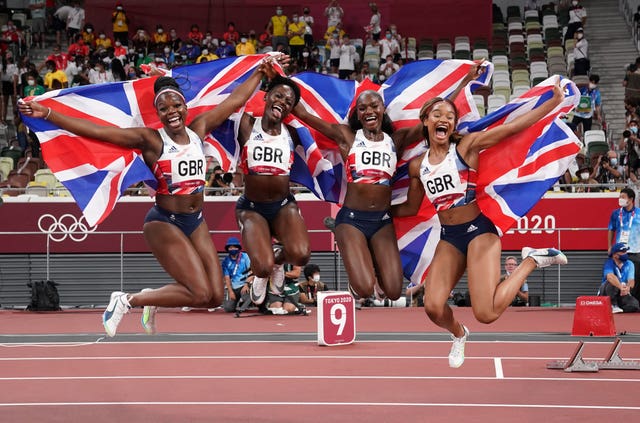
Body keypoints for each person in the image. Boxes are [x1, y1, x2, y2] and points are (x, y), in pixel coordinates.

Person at [19, 58, 279, 337]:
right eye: (164, 108)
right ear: (157, 113)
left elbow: (235, 101)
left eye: (176, 106)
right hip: (165, 222)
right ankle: (127, 300)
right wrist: (47, 114)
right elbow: (97, 131)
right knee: (200, 291)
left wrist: (260, 74)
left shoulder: (199, 130)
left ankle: (150, 299)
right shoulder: (151, 140)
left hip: (196, 221)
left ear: (185, 106)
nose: (172, 112)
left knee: (214, 297)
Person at [391, 78, 569, 368]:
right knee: (433, 307)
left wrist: (553, 103)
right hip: (449, 237)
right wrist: (383, 211)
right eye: (437, 114)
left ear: (453, 125)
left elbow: (512, 129)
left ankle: (531, 261)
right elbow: (411, 206)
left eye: (450, 116)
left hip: (478, 233)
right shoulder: (417, 166)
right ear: (425, 121)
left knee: (486, 313)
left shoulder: (466, 148)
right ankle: (459, 334)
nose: (444, 119)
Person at [292, 64, 484, 305]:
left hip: (382, 221)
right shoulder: (348, 136)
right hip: (352, 218)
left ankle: (368, 254)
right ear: (357, 114)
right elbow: (304, 114)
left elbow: (435, 115)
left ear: (383, 109)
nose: (369, 111)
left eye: (374, 105)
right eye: (363, 108)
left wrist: (464, 82)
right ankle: (346, 241)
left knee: (393, 292)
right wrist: (280, 81)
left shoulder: (397, 140)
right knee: (363, 289)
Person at [236, 74, 311, 306]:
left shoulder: (292, 133)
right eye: (278, 96)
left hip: (282, 205)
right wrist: (262, 72)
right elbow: (238, 98)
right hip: (252, 208)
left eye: (288, 102)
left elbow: (316, 122)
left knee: (301, 255)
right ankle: (263, 273)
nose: (282, 102)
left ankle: (279, 262)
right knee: (261, 267)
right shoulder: (248, 125)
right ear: (266, 96)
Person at [608, 187, 640, 303]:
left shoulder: (638, 214)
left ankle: (634, 302)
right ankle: (619, 302)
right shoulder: (616, 213)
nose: (620, 199)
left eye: (623, 197)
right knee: (618, 277)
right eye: (620, 197)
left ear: (631, 199)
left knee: (634, 278)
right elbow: (611, 229)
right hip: (619, 252)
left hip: (635, 251)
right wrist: (609, 246)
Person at [600, 242, 639, 313]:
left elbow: (631, 281)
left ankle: (619, 305)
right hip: (607, 291)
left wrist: (627, 288)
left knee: (634, 306)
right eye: (623, 252)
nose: (626, 253)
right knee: (614, 280)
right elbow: (610, 277)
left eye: (626, 251)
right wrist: (620, 287)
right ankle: (612, 304)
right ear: (615, 255)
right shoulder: (609, 263)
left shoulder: (630, 264)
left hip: (622, 292)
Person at [221, 236, 253, 313]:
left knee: (247, 298)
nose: (232, 249)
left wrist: (246, 284)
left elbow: (251, 272)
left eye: (234, 247)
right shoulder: (225, 261)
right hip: (234, 287)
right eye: (230, 248)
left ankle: (244, 301)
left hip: (244, 285)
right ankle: (238, 302)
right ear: (227, 249)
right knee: (228, 309)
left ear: (238, 248)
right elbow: (227, 278)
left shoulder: (245, 257)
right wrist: (230, 291)